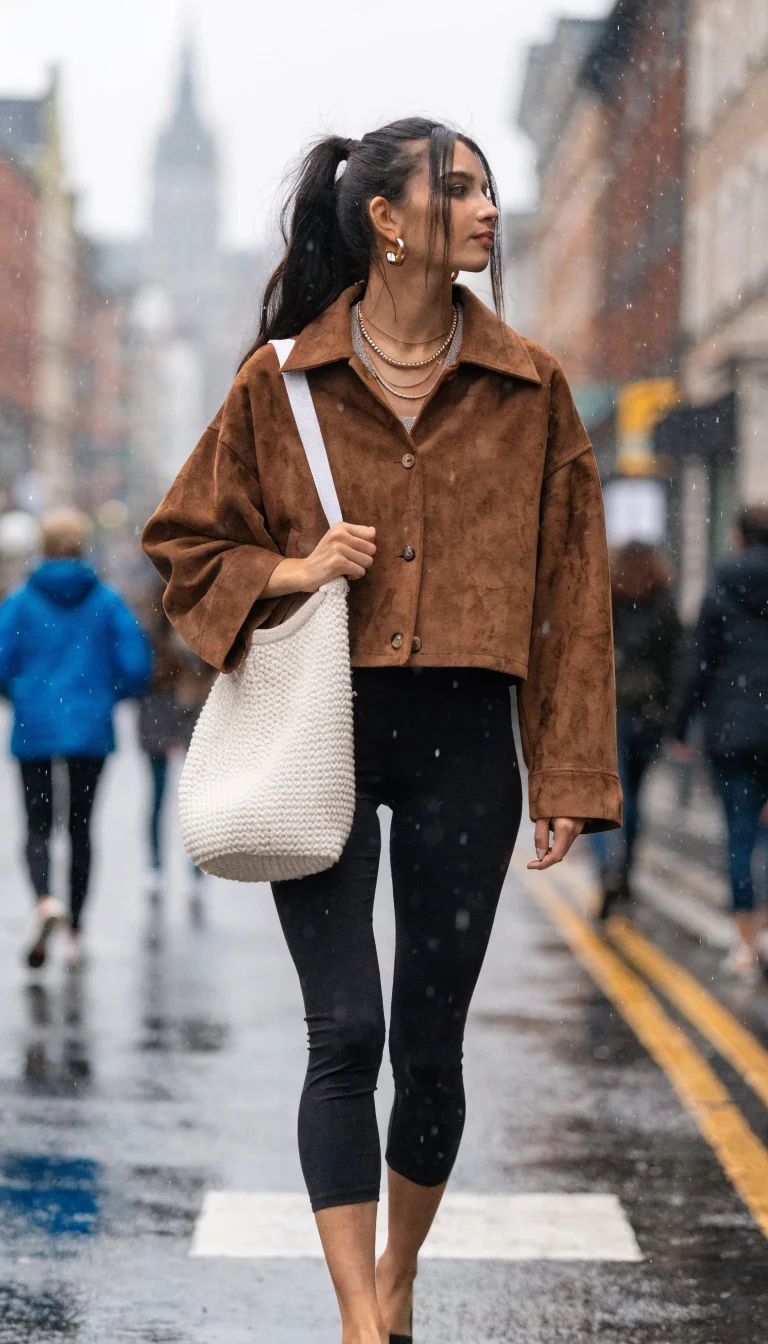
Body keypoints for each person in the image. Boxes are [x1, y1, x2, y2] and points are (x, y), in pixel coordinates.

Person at [142, 120, 621, 1344]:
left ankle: (400, 1268)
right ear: (387, 223)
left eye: (488, 189)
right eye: (458, 189)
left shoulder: (531, 388)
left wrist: (568, 768)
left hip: (468, 740)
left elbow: (572, 591)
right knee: (346, 1030)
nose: (488, 209)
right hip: (326, 729)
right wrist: (293, 571)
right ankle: (362, 1319)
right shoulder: (280, 382)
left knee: (431, 1048)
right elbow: (184, 544)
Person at [0, 509, 152, 970]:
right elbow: (136, 665)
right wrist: (107, 695)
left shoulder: (20, 602)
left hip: (34, 727)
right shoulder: (106, 601)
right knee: (81, 829)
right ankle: (76, 931)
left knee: (37, 826)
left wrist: (21, 694)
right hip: (90, 729)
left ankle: (45, 900)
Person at [672, 504, 768, 979]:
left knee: (739, 833)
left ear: (737, 536)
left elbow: (698, 662)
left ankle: (746, 940)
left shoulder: (722, 583)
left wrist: (679, 726)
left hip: (732, 729)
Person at [593, 541, 682, 919]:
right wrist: (671, 717)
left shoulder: (606, 598)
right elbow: (676, 664)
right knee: (634, 796)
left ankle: (609, 867)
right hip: (648, 713)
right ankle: (624, 869)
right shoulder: (663, 604)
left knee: (608, 793)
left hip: (609, 709)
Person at [137, 583, 215, 910]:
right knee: (167, 797)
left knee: (188, 799)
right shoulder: (188, 612)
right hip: (166, 712)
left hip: (189, 711)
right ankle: (160, 869)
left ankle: (187, 872)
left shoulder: (200, 613)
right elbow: (141, 670)